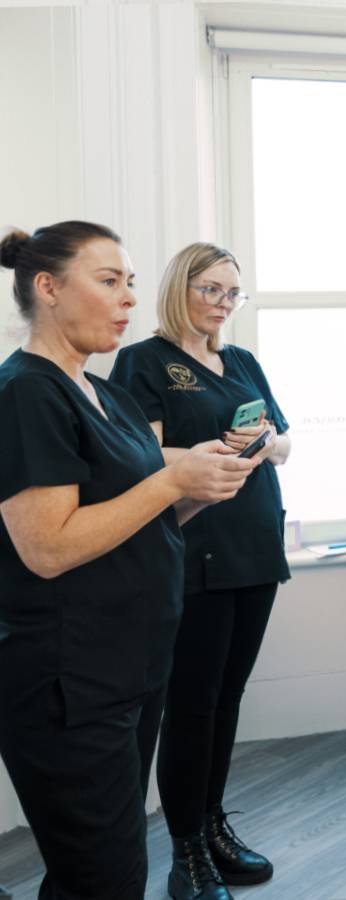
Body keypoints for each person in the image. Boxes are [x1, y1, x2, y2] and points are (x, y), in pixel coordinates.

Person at [0, 222, 255, 899]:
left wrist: (198, 490)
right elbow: (48, 547)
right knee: (104, 875)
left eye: (131, 283)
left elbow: (140, 520)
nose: (129, 299)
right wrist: (172, 481)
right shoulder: (27, 392)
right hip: (69, 681)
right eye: (109, 281)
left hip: (129, 669)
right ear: (48, 287)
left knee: (106, 866)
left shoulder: (104, 393)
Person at [110, 243, 292, 899]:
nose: (221, 303)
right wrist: (214, 452)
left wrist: (261, 444)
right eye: (209, 289)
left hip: (255, 547)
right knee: (193, 704)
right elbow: (143, 456)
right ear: (178, 288)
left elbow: (284, 442)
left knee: (228, 698)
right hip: (193, 548)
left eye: (231, 293)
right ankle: (185, 849)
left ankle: (213, 825)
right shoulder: (144, 361)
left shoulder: (241, 361)